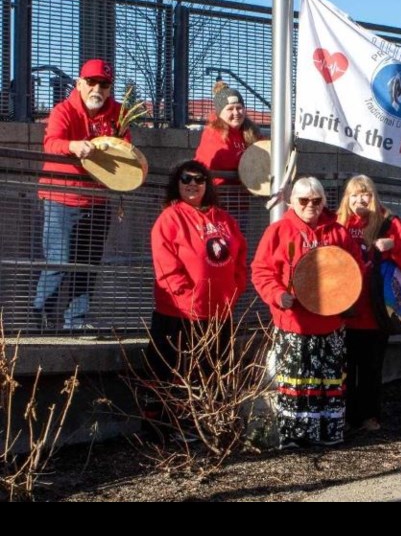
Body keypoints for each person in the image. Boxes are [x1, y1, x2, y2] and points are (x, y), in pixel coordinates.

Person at [251, 177, 363, 448]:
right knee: (296, 380)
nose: (310, 206)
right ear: (292, 202)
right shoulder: (278, 232)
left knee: (328, 381)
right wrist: (278, 294)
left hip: (330, 323)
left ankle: (327, 432)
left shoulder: (338, 233)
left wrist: (347, 297)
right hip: (294, 322)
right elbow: (261, 271)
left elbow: (355, 269)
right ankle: (295, 435)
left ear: (324, 202)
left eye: (316, 201)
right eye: (304, 201)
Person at [147, 160, 248, 437]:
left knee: (213, 372)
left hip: (218, 314)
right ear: (177, 185)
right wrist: (187, 296)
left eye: (199, 179)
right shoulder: (170, 218)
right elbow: (166, 265)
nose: (193, 184)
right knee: (176, 373)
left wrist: (234, 290)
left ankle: (209, 424)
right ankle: (173, 427)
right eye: (186, 179)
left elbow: (239, 259)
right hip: (180, 314)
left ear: (208, 184)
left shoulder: (225, 219)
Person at [33, 59, 130, 330]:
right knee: (59, 260)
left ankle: (75, 322)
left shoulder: (118, 115)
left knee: (87, 264)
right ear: (79, 83)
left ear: (110, 89)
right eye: (91, 82)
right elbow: (51, 143)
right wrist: (73, 146)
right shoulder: (63, 110)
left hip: (98, 200)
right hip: (60, 198)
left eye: (104, 84)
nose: (97, 88)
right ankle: (38, 317)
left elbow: (126, 151)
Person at [336, 175, 401, 433]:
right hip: (345, 309)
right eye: (355, 195)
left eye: (366, 194)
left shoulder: (389, 222)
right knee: (346, 368)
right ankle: (347, 416)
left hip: (376, 310)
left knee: (372, 367)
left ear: (374, 197)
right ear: (346, 199)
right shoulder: (338, 222)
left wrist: (394, 246)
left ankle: (370, 415)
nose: (360, 200)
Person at [194, 81, 262, 225]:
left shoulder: (249, 132)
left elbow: (265, 153)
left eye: (239, 108)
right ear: (220, 113)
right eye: (230, 109)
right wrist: (251, 163)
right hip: (216, 202)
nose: (236, 113)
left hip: (239, 203)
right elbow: (222, 159)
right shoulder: (213, 132)